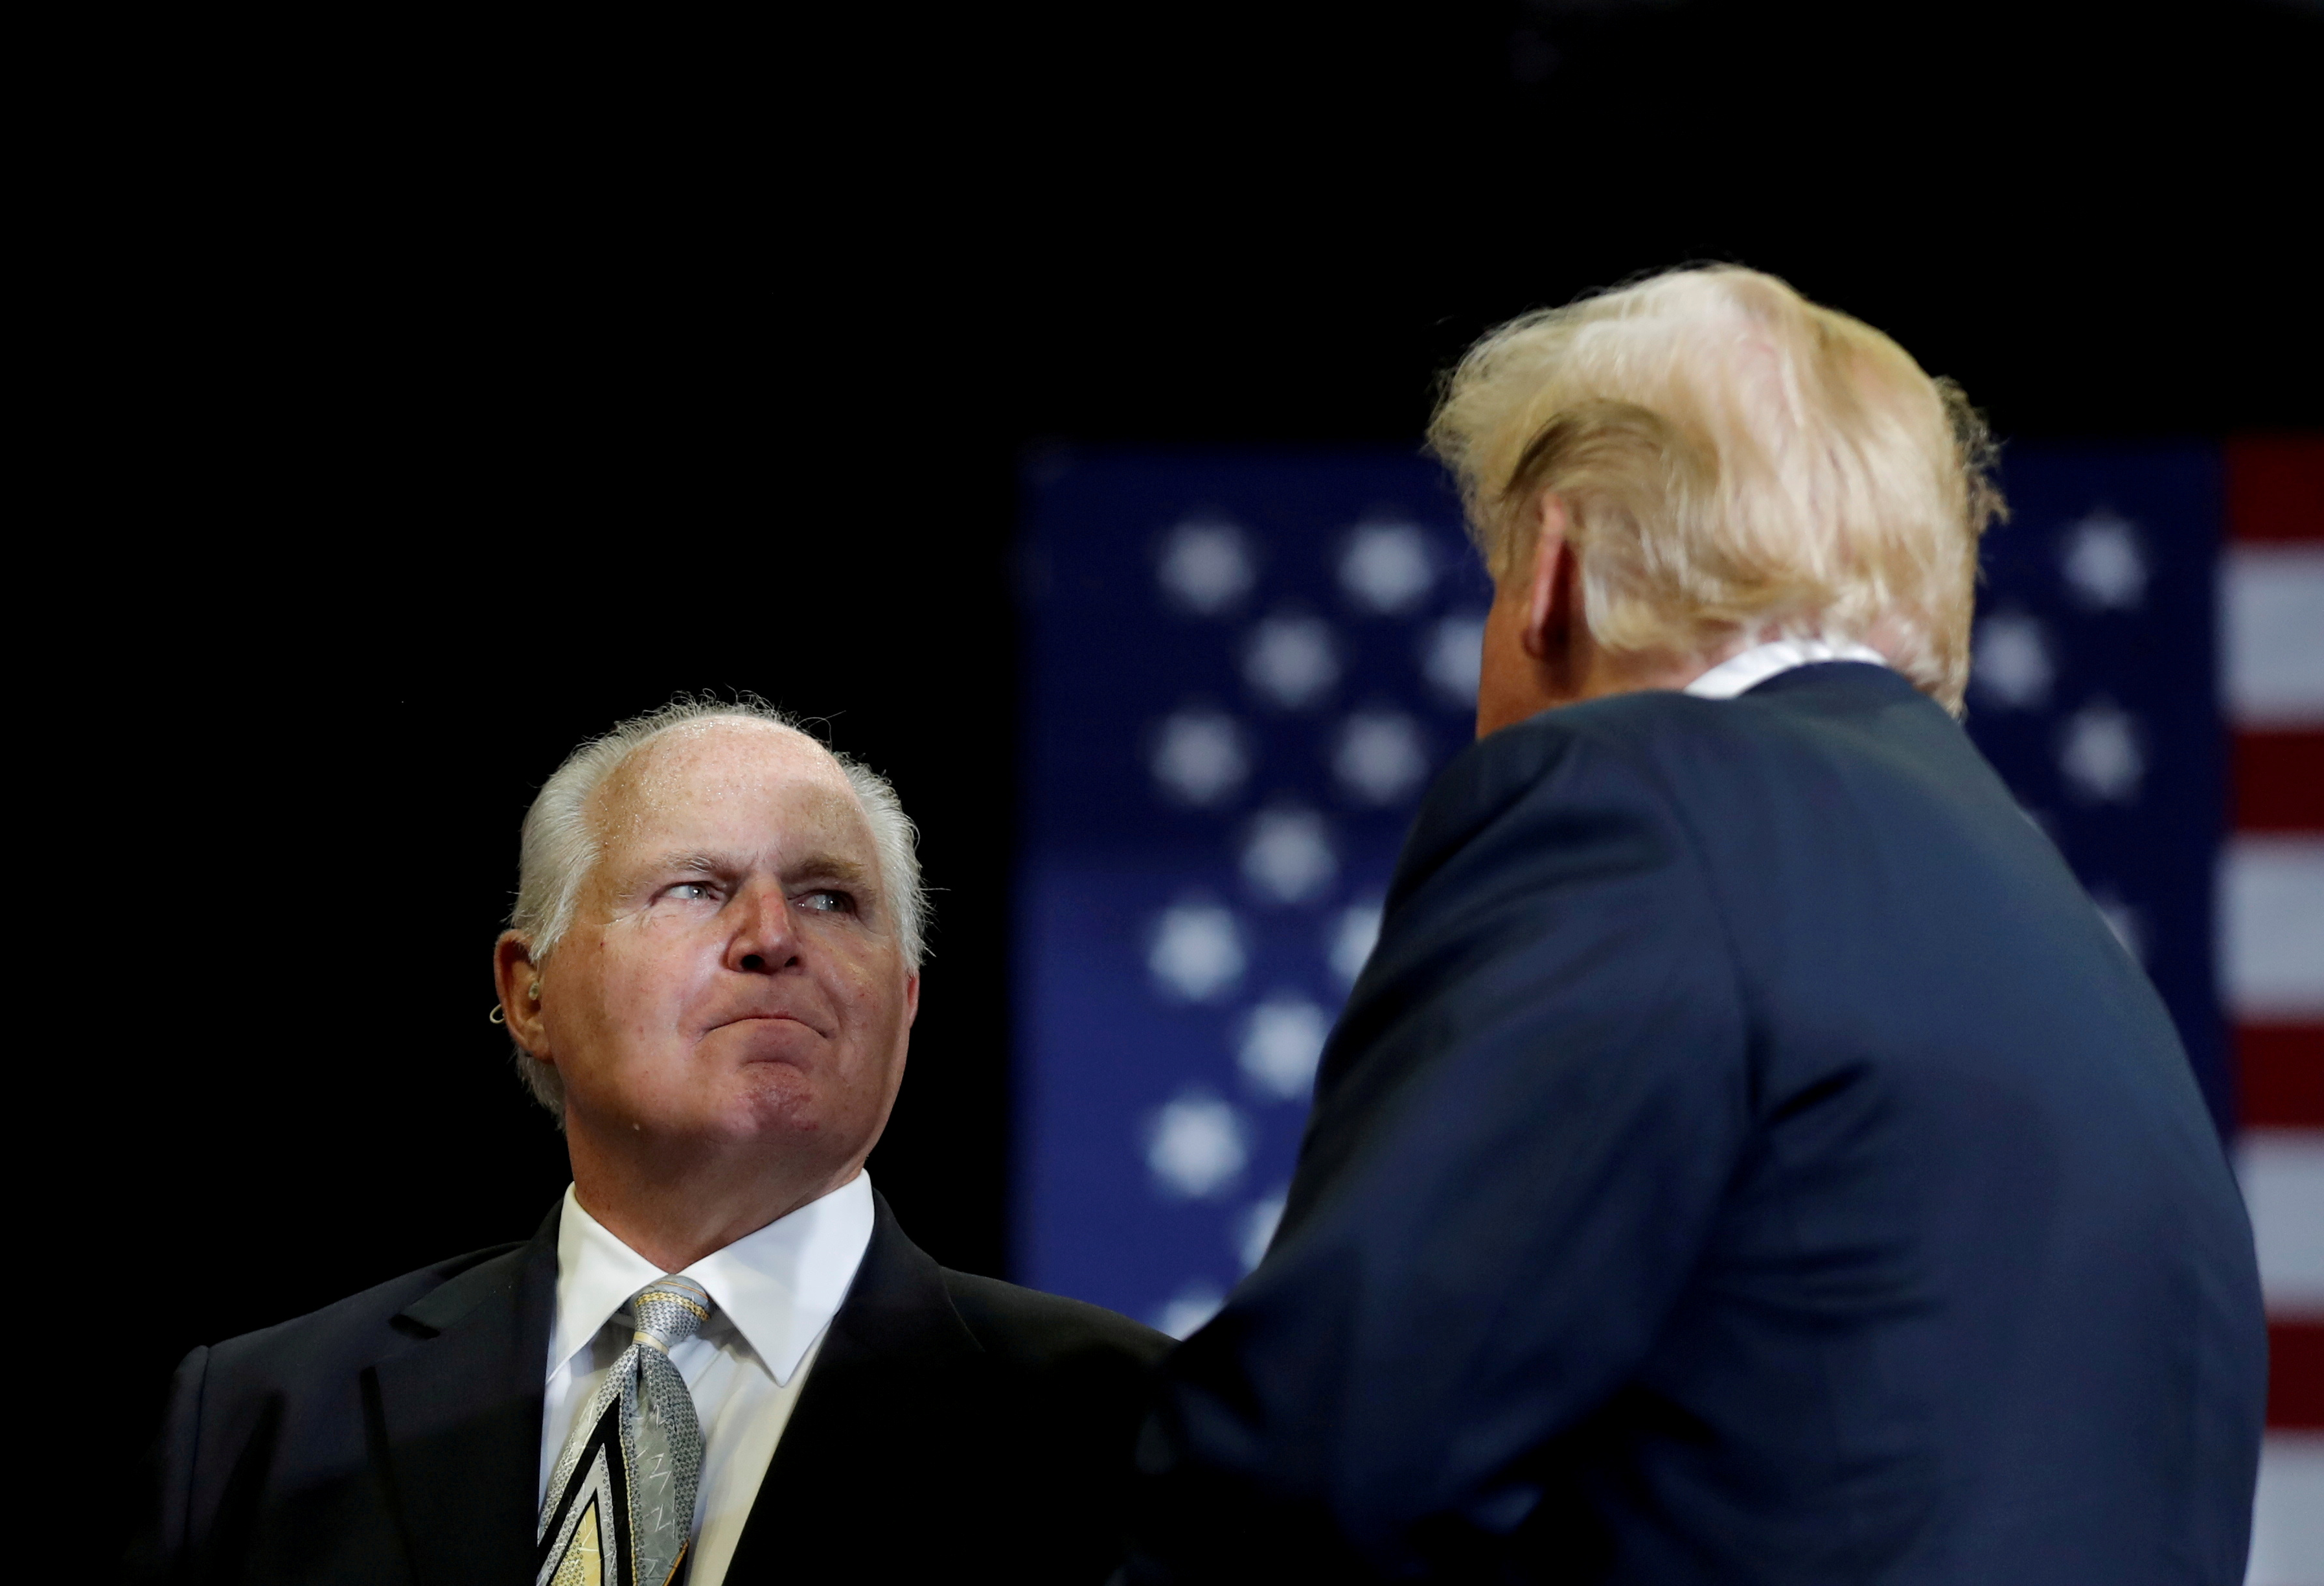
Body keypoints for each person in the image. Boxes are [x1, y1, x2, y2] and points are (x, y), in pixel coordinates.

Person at [1126, 268, 2267, 1583]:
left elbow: (1320, 1479)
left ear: (1550, 573)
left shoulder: (1632, 801)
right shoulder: (2091, 977)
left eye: (1493, 585)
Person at [130, 697, 1166, 1585]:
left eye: (830, 897)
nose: (771, 936)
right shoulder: (257, 1417)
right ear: (527, 993)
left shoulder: (1134, 1428)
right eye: (698, 888)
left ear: (903, 1003)